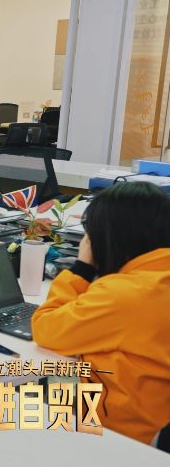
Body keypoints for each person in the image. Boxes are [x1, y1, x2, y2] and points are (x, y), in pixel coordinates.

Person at [32, 181, 170, 445]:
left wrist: (82, 268)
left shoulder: (125, 293)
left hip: (128, 439)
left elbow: (45, 328)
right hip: (157, 420)